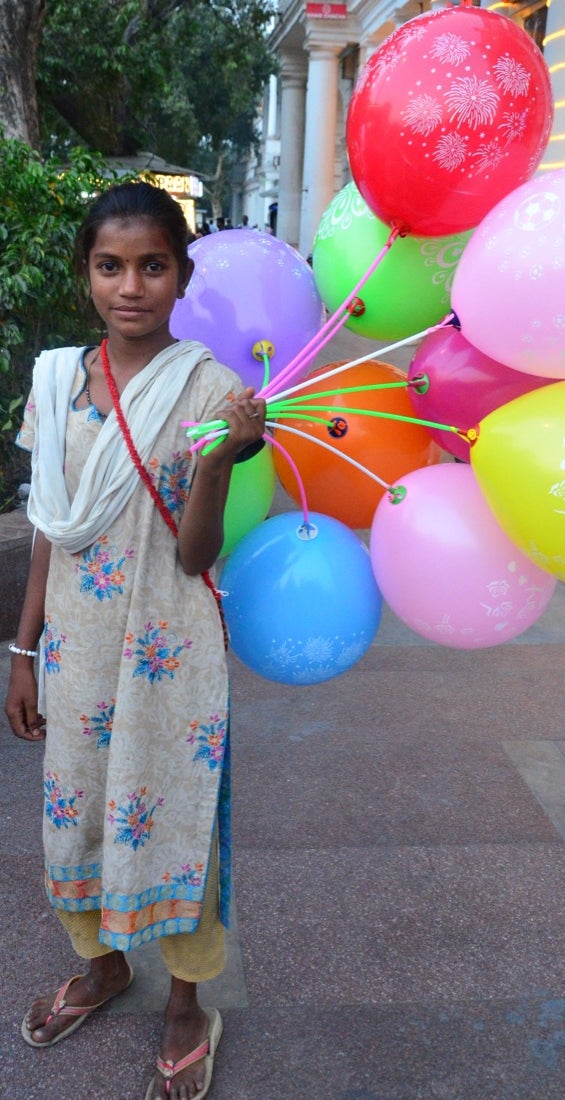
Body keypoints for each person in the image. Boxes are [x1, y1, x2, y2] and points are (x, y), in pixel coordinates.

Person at [4, 181, 266, 1100]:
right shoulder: (54, 383)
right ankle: (106, 965)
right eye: (111, 266)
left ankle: (189, 999)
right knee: (76, 809)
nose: (131, 285)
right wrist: (24, 651)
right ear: (86, 275)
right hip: (75, 645)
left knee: (173, 815)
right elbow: (50, 523)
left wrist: (220, 460)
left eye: (152, 265)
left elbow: (198, 551)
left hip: (169, 646)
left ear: (181, 275)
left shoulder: (212, 391)